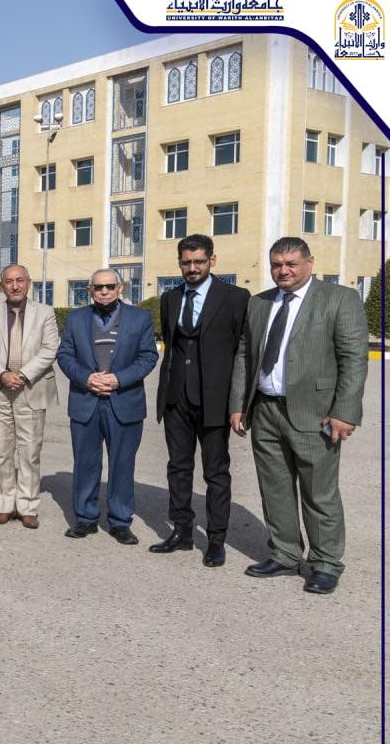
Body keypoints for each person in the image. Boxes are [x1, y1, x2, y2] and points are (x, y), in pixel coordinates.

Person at [229, 237, 368, 594]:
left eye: (291, 263)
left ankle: (325, 563)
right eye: (277, 264)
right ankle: (285, 554)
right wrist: (238, 404)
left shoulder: (339, 299)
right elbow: (245, 354)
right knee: (274, 488)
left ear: (310, 262)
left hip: (316, 413)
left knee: (319, 493)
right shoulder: (259, 302)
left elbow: (353, 359)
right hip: (265, 410)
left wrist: (344, 411)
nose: (283, 271)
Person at [149, 235, 250, 567]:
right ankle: (182, 531)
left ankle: (217, 539)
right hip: (177, 398)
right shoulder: (170, 298)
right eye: (186, 262)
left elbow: (243, 351)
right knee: (178, 468)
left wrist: (238, 403)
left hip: (214, 401)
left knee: (216, 472)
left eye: (199, 262)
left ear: (212, 261)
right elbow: (174, 347)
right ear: (179, 263)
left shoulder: (235, 298)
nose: (192, 268)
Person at [56, 268, 158, 543]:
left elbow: (148, 356)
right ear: (89, 290)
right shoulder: (76, 319)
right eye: (98, 287)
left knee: (122, 464)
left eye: (109, 286)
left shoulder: (140, 318)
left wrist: (118, 379)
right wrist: (86, 378)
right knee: (85, 463)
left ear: (120, 288)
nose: (104, 292)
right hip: (86, 401)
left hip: (124, 401)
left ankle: (120, 521)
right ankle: (85, 518)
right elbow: (65, 355)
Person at [0, 263, 60, 529]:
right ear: (2, 285)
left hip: (31, 388)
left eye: (20, 280)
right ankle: (5, 505)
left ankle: (27, 506)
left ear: (28, 283)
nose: (14, 286)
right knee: (1, 451)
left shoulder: (45, 313)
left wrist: (22, 375)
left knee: (30, 452)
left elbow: (50, 348)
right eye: (9, 281)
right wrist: (1, 374)